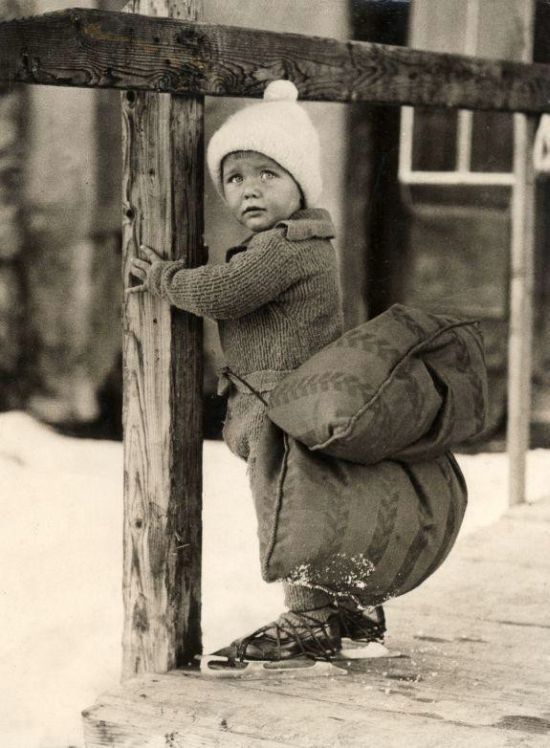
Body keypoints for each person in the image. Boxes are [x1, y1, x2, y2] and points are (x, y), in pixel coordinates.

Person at [127, 80, 385, 662]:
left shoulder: (288, 246)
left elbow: (226, 291)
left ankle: (309, 618)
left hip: (286, 411)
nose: (248, 191)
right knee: (313, 505)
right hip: (292, 405)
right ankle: (342, 607)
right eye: (235, 178)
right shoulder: (295, 240)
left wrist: (166, 279)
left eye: (267, 175)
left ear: (301, 183)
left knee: (289, 511)